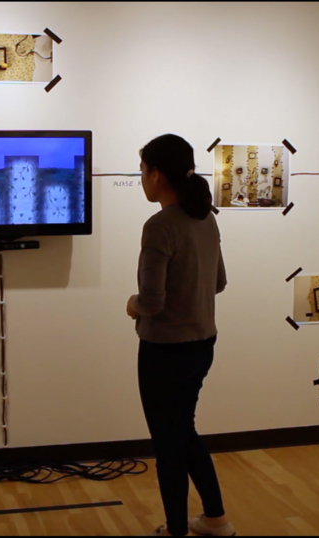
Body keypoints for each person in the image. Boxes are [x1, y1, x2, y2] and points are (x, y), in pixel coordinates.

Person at [126, 134, 236, 537]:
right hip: (202, 344)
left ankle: (176, 531)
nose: (141, 178)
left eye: (142, 170)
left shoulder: (159, 226)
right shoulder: (206, 219)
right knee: (184, 432)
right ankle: (216, 519)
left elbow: (151, 301)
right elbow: (219, 282)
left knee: (168, 444)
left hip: (164, 351)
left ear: (157, 175)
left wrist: (132, 304)